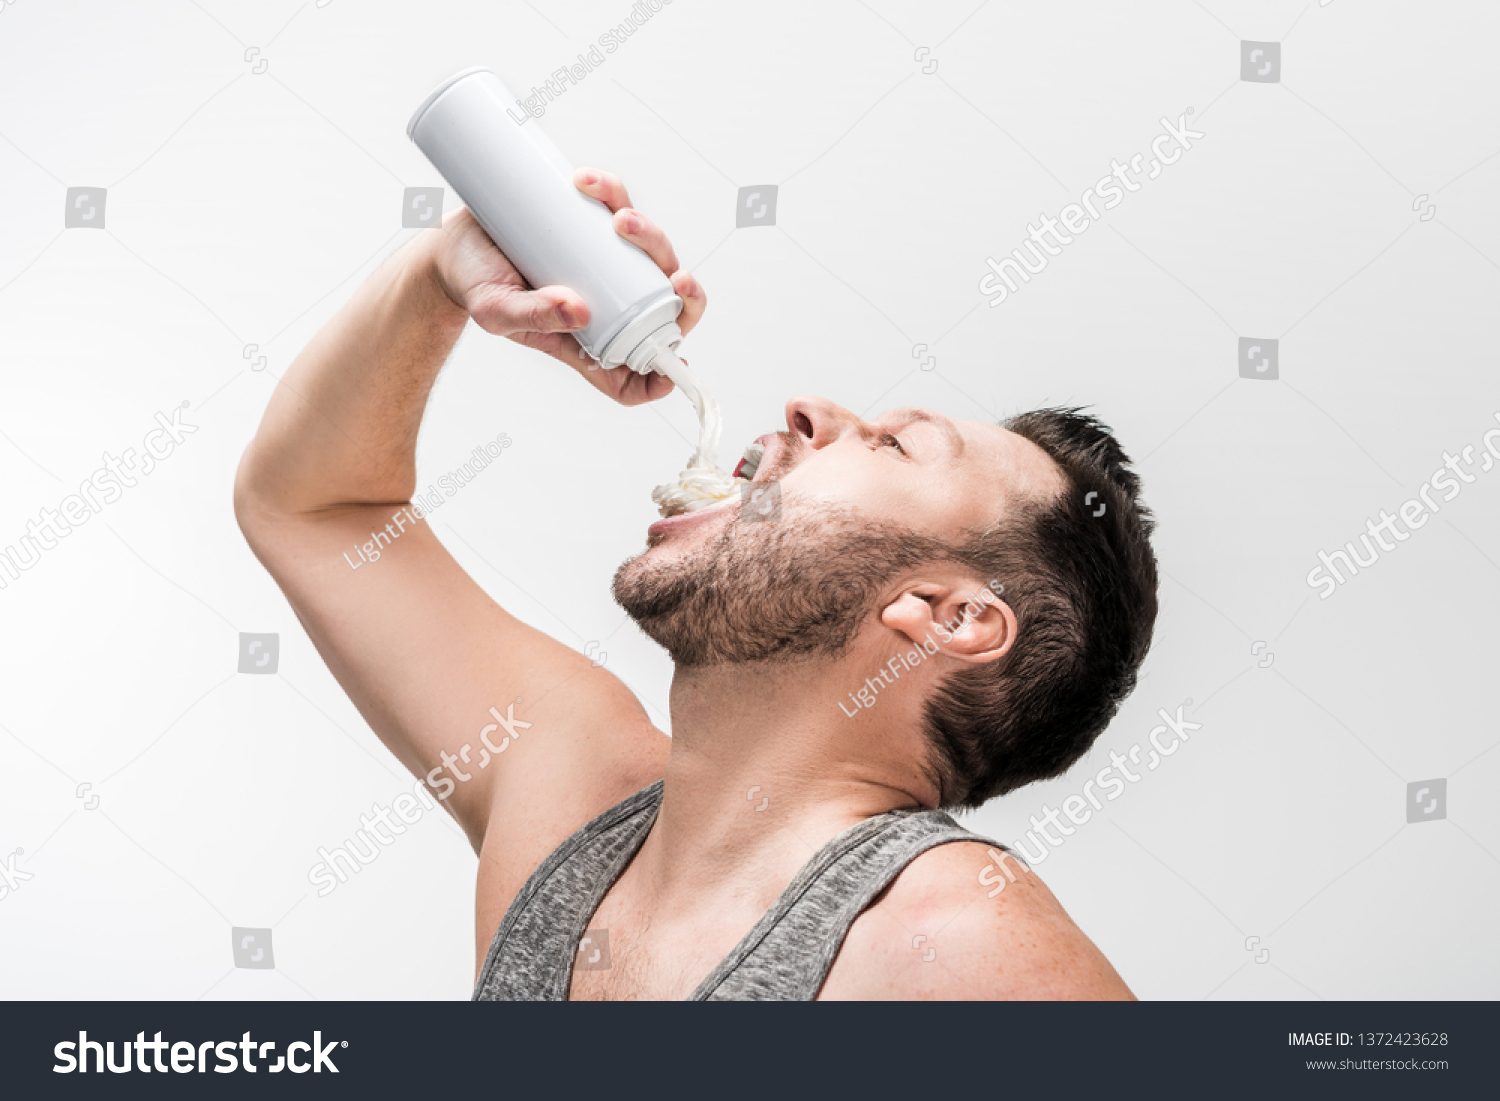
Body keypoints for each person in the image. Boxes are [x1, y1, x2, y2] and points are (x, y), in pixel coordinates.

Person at [233, 168, 1158, 1000]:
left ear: (949, 617)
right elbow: (314, 506)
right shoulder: (567, 795)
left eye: (892, 443)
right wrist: (444, 274)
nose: (812, 409)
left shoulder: (959, 943)